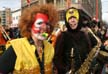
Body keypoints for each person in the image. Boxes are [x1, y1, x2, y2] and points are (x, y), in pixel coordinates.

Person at [0, 3, 58, 74]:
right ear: (30, 26)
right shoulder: (17, 47)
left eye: (47, 24)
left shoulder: (50, 48)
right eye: (39, 23)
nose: (44, 27)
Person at [53, 7, 102, 74]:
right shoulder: (62, 36)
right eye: (70, 18)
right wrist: (65, 71)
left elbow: (89, 52)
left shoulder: (84, 35)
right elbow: (57, 58)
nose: (72, 20)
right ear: (67, 21)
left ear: (78, 19)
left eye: (75, 18)